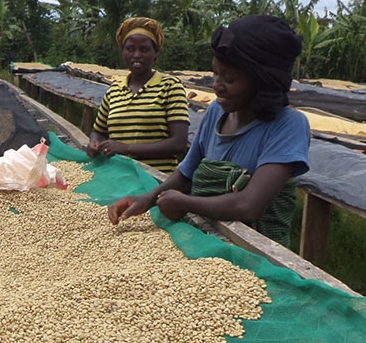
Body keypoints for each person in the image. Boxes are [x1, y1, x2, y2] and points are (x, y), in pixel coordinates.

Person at [107, 14, 310, 248]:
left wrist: (185, 203)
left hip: (257, 252)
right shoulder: (216, 112)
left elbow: (248, 205)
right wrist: (147, 199)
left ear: (262, 82)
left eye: (229, 78)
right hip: (208, 239)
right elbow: (186, 174)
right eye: (215, 73)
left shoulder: (288, 125)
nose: (216, 85)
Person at [84, 17, 190, 173]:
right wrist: (95, 143)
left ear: (155, 53)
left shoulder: (170, 87)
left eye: (144, 49)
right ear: (123, 52)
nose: (137, 54)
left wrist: (126, 148)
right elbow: (98, 131)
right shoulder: (114, 91)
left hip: (157, 179)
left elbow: (178, 143)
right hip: (118, 177)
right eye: (130, 49)